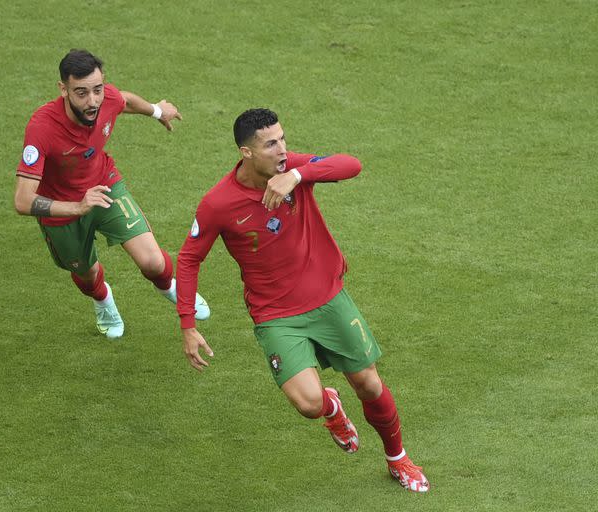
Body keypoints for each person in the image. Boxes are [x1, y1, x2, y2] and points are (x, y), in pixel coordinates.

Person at [175, 108, 429, 492]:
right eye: (271, 144)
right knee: (309, 404)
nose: (282, 149)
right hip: (276, 316)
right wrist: (188, 324)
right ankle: (331, 408)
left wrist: (297, 174)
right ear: (246, 152)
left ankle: (398, 458)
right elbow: (190, 258)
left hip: (328, 298)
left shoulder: (292, 169)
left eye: (283, 139)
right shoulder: (218, 204)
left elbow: (352, 165)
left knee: (370, 386)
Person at [14, 49, 209, 339]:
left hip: (104, 186)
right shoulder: (42, 128)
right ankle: (103, 300)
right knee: (87, 275)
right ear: (63, 90)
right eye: (81, 93)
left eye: (97, 89)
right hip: (64, 210)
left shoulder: (107, 99)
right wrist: (78, 207)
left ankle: (171, 287)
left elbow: (125, 100)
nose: (92, 101)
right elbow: (23, 200)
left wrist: (157, 111)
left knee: (153, 263)